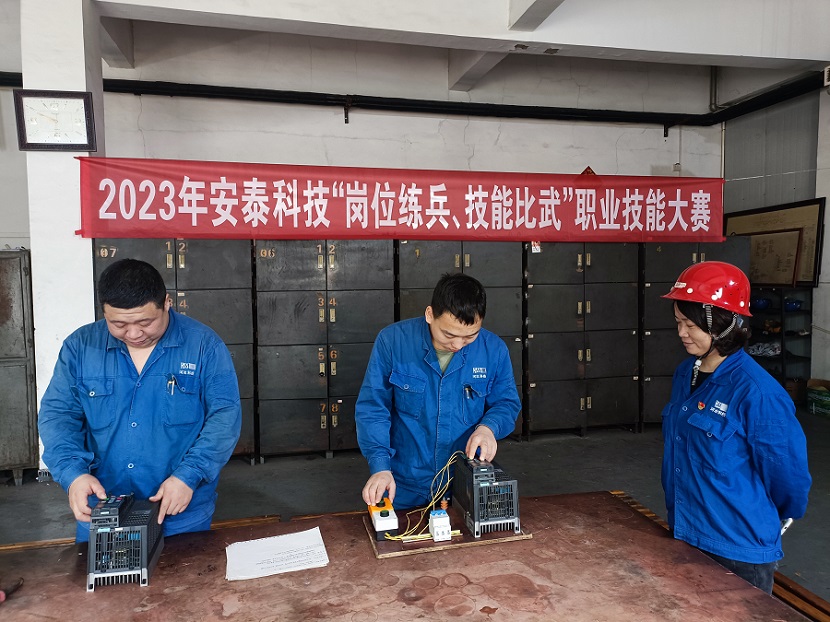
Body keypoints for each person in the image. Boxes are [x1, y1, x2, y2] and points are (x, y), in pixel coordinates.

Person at [38, 258, 242, 542]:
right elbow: (58, 416)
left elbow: (224, 417)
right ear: (104, 311)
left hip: (179, 510)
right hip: (103, 509)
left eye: (145, 322)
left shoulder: (204, 346)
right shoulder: (80, 347)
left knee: (186, 571)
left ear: (167, 302)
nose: (133, 334)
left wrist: (189, 475)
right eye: (118, 324)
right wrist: (73, 475)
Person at [660, 261, 811, 593]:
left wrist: (762, 516)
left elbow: (788, 476)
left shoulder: (757, 393)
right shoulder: (686, 373)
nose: (682, 333)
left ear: (724, 325)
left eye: (690, 325)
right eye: (678, 323)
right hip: (686, 531)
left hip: (737, 549)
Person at [356, 272, 521, 509]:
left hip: (465, 482)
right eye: (449, 334)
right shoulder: (393, 342)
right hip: (403, 482)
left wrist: (489, 428)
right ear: (430, 314)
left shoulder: (493, 350)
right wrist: (380, 467)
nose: (457, 345)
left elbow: (506, 402)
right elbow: (373, 408)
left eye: (470, 336)